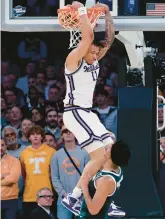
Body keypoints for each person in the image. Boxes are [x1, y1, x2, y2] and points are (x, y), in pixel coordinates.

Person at [61, 1, 119, 216]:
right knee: (98, 158)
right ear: (83, 49)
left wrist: (107, 14)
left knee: (112, 152)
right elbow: (88, 38)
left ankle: (106, 198)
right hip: (75, 112)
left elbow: (109, 40)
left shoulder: (92, 59)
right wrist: (81, 9)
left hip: (87, 113)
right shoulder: (73, 60)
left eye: (96, 53)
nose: (95, 56)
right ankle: (74, 197)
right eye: (92, 52)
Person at [79, 140, 131, 219]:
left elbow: (93, 210)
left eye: (108, 148)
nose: (106, 146)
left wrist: (84, 186)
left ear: (110, 155)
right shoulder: (115, 168)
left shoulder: (106, 181)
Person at [51, 126, 90, 219]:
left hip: (82, 198)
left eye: (71, 131)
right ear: (62, 136)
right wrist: (63, 194)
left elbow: (89, 175)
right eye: (65, 132)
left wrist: (82, 193)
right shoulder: (56, 155)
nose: (68, 133)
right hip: (64, 199)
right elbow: (54, 177)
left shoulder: (84, 153)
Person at [20, 125, 55, 219]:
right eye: (32, 134)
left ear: (42, 137)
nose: (35, 136)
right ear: (29, 137)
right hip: (29, 195)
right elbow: (24, 174)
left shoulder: (51, 151)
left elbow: (54, 174)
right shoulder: (24, 153)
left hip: (47, 195)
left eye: (38, 134)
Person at [1, 138, 21, 219]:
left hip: (10, 200)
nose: (0, 148)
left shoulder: (14, 161)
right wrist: (2, 176)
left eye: (2, 145)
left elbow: (13, 179)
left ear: (6, 146)